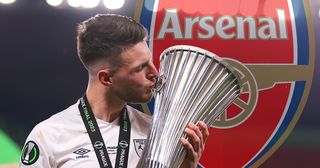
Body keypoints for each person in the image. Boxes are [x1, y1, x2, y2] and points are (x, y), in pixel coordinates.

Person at [19, 14, 209, 168]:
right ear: (106, 78)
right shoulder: (49, 135)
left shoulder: (156, 133)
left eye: (150, 61)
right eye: (140, 68)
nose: (154, 72)